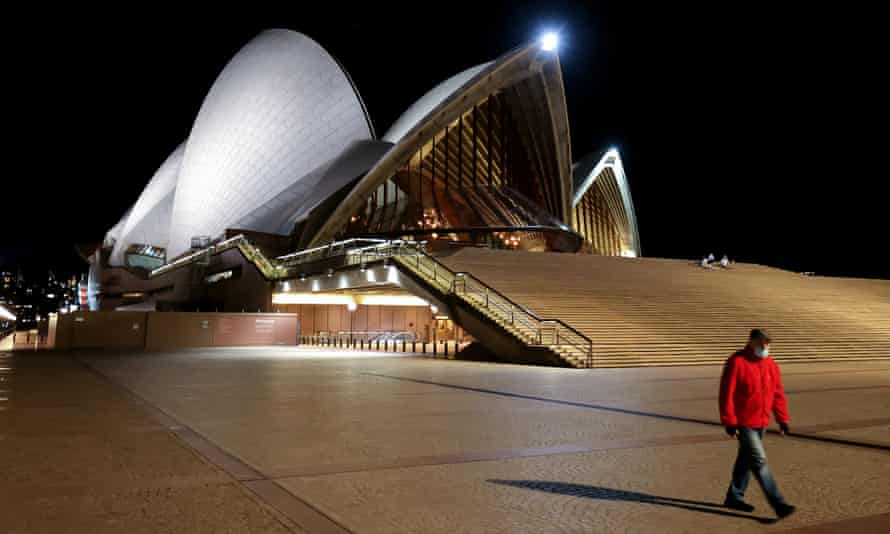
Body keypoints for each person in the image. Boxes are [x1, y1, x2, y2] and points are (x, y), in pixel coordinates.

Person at [719, 328, 796, 520]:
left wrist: (782, 419)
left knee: (745, 461)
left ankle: (734, 497)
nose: (765, 347)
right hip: (744, 422)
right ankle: (779, 505)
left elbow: (777, 394)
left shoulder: (771, 365)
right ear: (751, 342)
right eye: (761, 343)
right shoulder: (737, 362)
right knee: (759, 461)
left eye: (767, 343)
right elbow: (726, 394)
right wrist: (729, 421)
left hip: (761, 421)